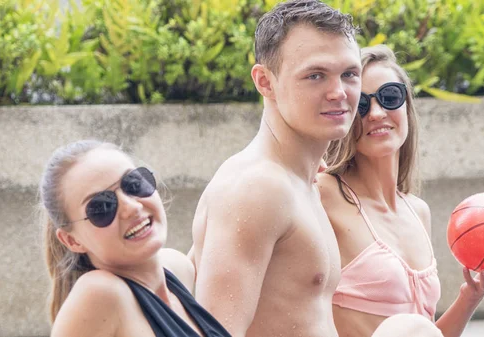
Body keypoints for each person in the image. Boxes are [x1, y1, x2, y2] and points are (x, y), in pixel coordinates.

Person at [317, 44, 484, 337]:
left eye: (389, 97)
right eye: (361, 104)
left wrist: (471, 296)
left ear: (406, 108)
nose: (376, 113)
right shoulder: (324, 194)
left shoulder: (417, 211)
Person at [188, 0, 362, 336]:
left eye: (349, 74)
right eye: (315, 75)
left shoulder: (299, 179)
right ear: (265, 82)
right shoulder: (258, 189)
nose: (339, 92)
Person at [40, 140, 230, 337]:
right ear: (72, 241)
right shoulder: (100, 293)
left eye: (133, 184)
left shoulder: (177, 269)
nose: (132, 207)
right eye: (102, 207)